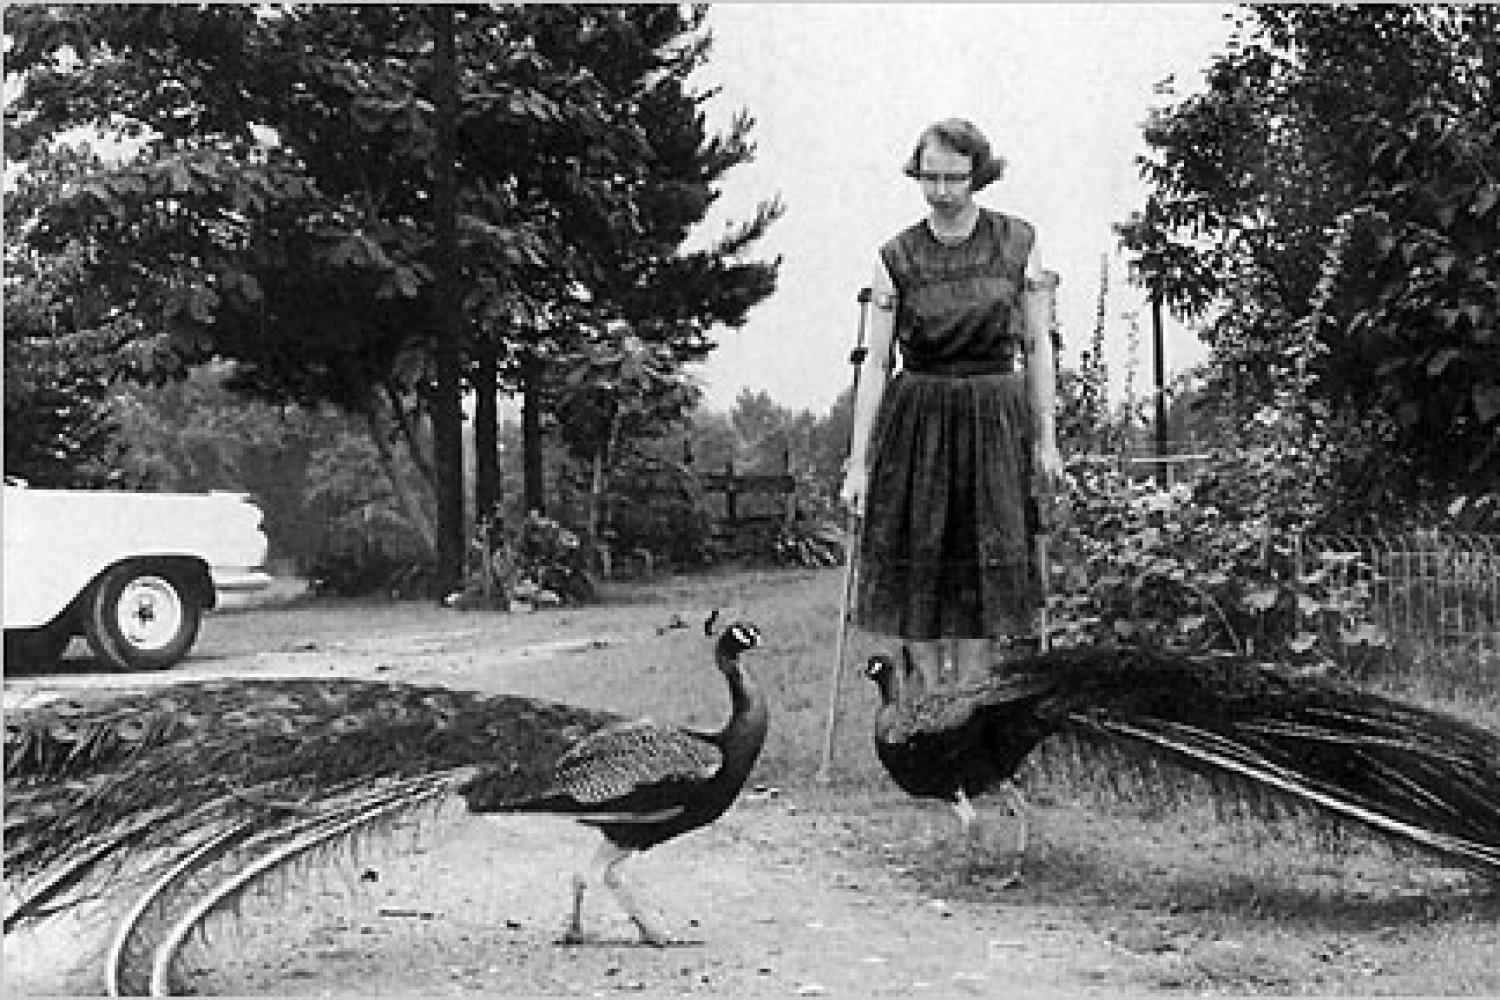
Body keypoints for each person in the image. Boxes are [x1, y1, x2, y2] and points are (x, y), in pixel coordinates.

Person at [840, 117, 1062, 690]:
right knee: (922, 562)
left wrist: (1047, 441)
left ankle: (970, 706)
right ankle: (924, 712)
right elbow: (874, 365)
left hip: (994, 419)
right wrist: (858, 463)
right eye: (929, 178)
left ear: (978, 176)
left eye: (954, 178)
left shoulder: (1019, 243)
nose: (941, 192)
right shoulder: (896, 256)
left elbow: (1038, 347)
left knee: (983, 565)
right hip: (919, 423)